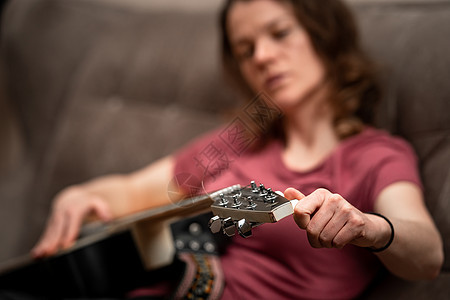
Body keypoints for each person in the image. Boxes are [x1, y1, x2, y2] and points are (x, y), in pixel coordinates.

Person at [31, 0, 443, 299]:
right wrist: (84, 196)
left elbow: (426, 254)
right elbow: (136, 191)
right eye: (246, 50)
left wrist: (369, 227)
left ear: (325, 37)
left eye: (279, 33)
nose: (262, 56)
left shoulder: (375, 155)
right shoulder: (237, 140)